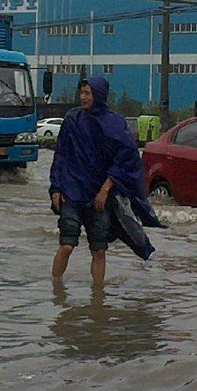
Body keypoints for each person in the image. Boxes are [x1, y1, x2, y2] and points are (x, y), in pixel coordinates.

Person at [48, 76, 162, 287]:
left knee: (99, 250)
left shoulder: (115, 123)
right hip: (71, 192)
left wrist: (106, 188)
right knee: (67, 245)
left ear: (99, 94)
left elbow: (126, 159)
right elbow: (61, 156)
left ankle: (98, 295)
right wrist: (56, 187)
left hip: (100, 196)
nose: (83, 97)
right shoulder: (72, 119)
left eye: (88, 93)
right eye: (81, 92)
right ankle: (55, 289)